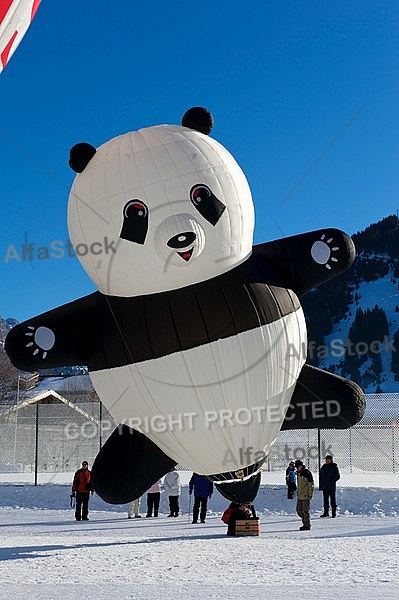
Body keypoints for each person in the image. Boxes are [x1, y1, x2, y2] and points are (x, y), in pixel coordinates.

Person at [295, 459, 314, 531]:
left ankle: (307, 525)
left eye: (298, 467)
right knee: (299, 510)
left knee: (305, 510)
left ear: (301, 466)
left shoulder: (306, 473)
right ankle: (305, 522)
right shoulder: (298, 473)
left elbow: (311, 484)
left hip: (306, 495)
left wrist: (310, 494)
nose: (297, 468)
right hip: (300, 495)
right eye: (296, 467)